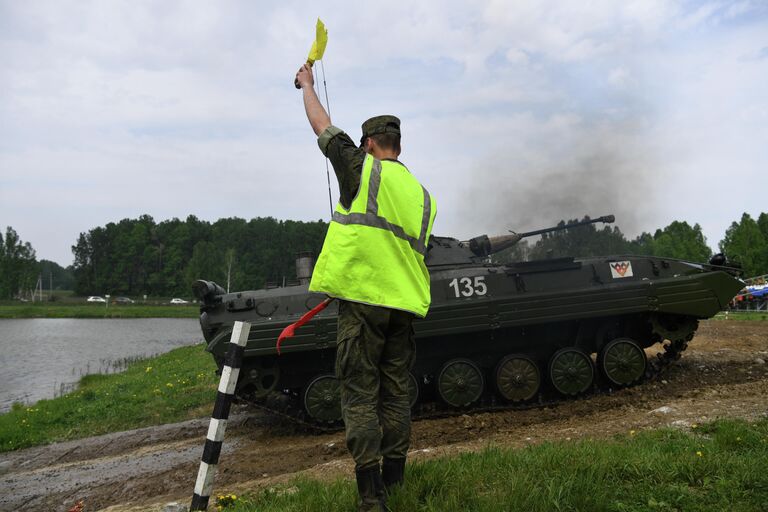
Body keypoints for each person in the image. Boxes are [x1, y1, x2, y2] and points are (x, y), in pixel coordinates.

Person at [295, 63, 437, 511]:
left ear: (371, 144)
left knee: (359, 394)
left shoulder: (363, 169)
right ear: (399, 144)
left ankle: (371, 498)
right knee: (396, 393)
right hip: (403, 307)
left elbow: (322, 125)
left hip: (363, 303)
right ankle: (395, 482)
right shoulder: (422, 194)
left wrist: (307, 85)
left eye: (364, 144)